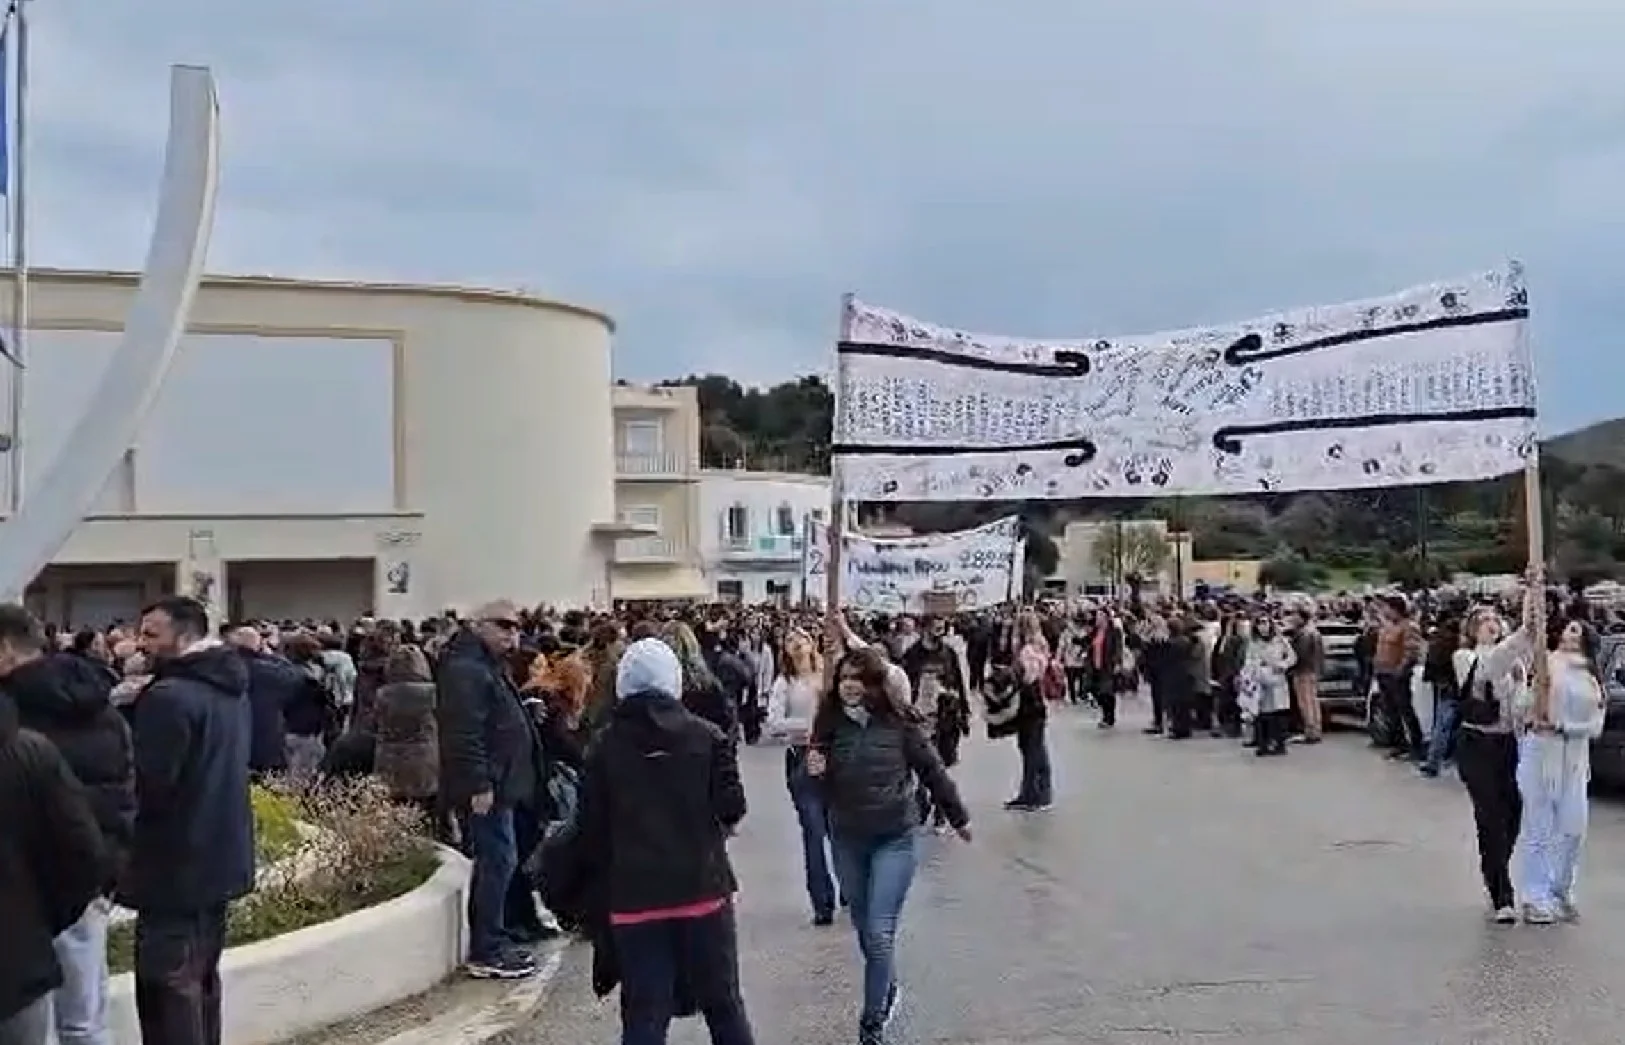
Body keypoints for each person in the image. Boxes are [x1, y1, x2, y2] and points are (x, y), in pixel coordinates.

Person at [576, 637, 756, 1045]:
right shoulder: (707, 736)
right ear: (674, 680)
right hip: (702, 887)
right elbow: (732, 806)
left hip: (634, 895)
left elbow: (590, 824)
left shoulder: (603, 746)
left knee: (644, 1012)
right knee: (723, 1004)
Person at [808, 646, 970, 1045]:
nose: (850, 685)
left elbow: (932, 770)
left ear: (875, 685)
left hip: (894, 837)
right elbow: (812, 784)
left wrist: (958, 816)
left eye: (859, 679)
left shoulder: (899, 724)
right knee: (865, 930)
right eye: (844, 678)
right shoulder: (829, 723)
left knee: (880, 933)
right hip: (848, 838)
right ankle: (888, 986)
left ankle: (872, 1023)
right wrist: (812, 772)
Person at [123, 597, 255, 1045]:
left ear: (183, 636)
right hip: (218, 858)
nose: (140, 644)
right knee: (200, 981)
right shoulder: (229, 688)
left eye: (151, 634)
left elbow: (149, 786)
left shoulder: (169, 698)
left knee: (168, 988)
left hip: (175, 866)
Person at [0, 605, 133, 1045]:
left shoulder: (18, 719)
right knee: (84, 1019)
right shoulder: (101, 703)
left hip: (34, 892)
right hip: (83, 880)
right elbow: (123, 787)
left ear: (5, 649)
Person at [436, 600, 545, 978]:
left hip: (503, 783)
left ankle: (499, 934)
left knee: (504, 860)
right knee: (496, 861)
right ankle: (487, 948)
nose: (511, 634)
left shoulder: (485, 665)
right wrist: (478, 784)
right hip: (489, 788)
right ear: (478, 625)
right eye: (503, 625)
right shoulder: (466, 669)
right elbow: (463, 733)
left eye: (516, 627)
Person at [0, 686, 110, 1045]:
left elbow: (82, 855)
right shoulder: (31, 752)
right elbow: (82, 854)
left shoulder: (29, 753)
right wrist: (40, 919)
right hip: (18, 960)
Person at [1513, 603, 1606, 925]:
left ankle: (1561, 888)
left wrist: (1568, 727)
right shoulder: (1545, 664)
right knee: (1539, 826)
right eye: (1569, 627)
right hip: (1542, 751)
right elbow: (1522, 706)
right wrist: (1530, 697)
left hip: (1575, 756)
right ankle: (1534, 896)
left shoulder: (1591, 676)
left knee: (1573, 827)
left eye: (1579, 629)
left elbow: (1597, 724)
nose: (1573, 632)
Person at [1452, 606, 1525, 923]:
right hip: (1477, 743)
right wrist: (1526, 628)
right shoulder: (1466, 657)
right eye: (1482, 621)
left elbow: (1520, 703)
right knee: (1490, 816)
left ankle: (1495, 866)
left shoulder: (1514, 662)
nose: (1490, 625)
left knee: (1513, 813)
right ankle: (1501, 895)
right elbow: (1491, 667)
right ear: (1472, 629)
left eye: (1495, 620)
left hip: (1508, 742)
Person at [764, 627, 838, 925]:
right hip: (802, 757)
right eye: (790, 639)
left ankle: (849, 883)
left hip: (834, 757)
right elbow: (774, 721)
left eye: (801, 637)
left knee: (839, 826)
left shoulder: (827, 675)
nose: (796, 642)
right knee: (813, 829)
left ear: (811, 643)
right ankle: (822, 900)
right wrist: (807, 726)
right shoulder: (785, 682)